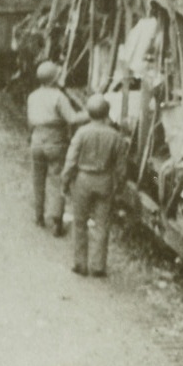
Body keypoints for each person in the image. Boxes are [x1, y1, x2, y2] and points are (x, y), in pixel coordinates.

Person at [62, 94, 126, 277]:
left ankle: (79, 264)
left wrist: (65, 182)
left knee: (80, 222)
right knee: (102, 224)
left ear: (88, 113)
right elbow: (121, 168)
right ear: (107, 114)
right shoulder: (116, 136)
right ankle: (98, 266)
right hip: (105, 181)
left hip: (83, 180)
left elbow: (71, 161)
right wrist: (119, 188)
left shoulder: (81, 133)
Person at [27, 61, 84, 236]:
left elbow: (30, 121)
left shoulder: (33, 96)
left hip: (36, 140)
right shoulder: (58, 96)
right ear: (54, 79)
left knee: (38, 179)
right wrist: (92, 113)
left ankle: (38, 217)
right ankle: (57, 222)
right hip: (56, 141)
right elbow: (72, 119)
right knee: (57, 180)